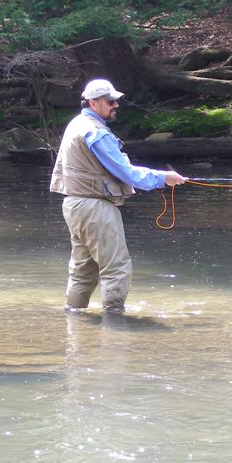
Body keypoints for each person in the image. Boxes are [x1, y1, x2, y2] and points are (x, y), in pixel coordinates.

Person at [50, 78, 186, 315]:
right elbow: (125, 172)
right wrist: (164, 178)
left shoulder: (76, 124)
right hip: (95, 208)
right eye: (110, 101)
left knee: (82, 270)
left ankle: (74, 319)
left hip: (73, 205)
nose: (116, 105)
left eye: (116, 100)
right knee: (117, 268)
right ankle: (114, 321)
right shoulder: (96, 132)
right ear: (93, 103)